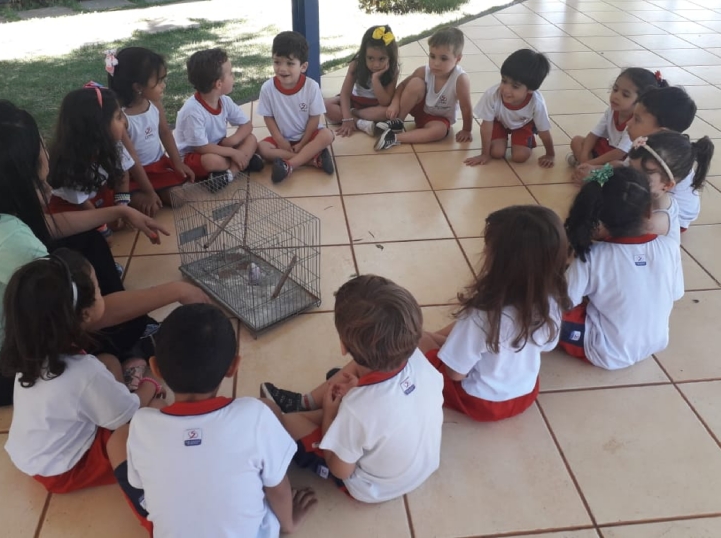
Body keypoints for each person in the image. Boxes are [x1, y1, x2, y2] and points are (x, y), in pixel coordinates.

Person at [0, 101, 210, 408]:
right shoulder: (6, 239)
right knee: (96, 341)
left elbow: (48, 227)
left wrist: (119, 210)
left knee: (87, 239)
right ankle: (129, 342)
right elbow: (88, 316)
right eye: (40, 145)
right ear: (24, 169)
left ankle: (129, 332)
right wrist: (178, 291)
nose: (46, 148)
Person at [109, 304, 317, 536]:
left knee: (119, 438)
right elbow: (277, 489)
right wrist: (289, 524)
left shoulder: (141, 424)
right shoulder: (257, 415)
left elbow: (139, 482)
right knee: (268, 409)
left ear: (155, 368)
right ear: (233, 367)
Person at [260, 275, 443, 504]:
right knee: (349, 417)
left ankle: (306, 410)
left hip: (373, 487)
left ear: (343, 346)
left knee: (288, 423)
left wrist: (330, 414)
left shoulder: (357, 410)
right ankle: (307, 404)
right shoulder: (420, 360)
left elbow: (341, 469)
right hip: (422, 464)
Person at [1, 250, 162, 493]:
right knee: (157, 411)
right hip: (67, 468)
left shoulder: (31, 353)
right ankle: (119, 402)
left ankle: (112, 402)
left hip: (34, 453)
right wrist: (152, 384)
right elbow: (131, 411)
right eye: (98, 289)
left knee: (108, 360)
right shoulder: (84, 372)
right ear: (85, 314)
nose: (101, 293)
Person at [420, 205, 570, 422]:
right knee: (459, 336)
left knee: (418, 338)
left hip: (481, 402)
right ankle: (447, 344)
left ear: (501, 262)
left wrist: (435, 343)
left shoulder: (481, 314)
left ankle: (440, 343)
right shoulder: (552, 301)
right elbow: (546, 348)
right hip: (525, 393)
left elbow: (455, 374)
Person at [560, 166, 684, 369]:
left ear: (598, 219)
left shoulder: (592, 255)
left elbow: (563, 302)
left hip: (605, 351)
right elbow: (676, 293)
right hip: (655, 342)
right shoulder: (669, 246)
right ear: (649, 211)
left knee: (541, 310)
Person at [107, 47, 194, 214]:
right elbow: (132, 158)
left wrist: (177, 163)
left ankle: (155, 191)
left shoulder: (154, 104)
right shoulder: (121, 117)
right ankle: (132, 197)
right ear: (138, 87)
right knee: (151, 209)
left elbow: (165, 132)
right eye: (159, 81)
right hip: (133, 174)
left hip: (157, 166)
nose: (163, 85)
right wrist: (148, 192)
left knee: (178, 198)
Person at [47, 83, 137, 238]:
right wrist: (104, 227)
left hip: (97, 195)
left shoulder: (114, 145)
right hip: (73, 208)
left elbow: (123, 174)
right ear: (98, 127)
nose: (124, 121)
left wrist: (122, 205)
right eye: (118, 117)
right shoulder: (71, 165)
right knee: (97, 240)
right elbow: (82, 204)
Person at [256, 31, 336, 184]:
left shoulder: (311, 87)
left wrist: (303, 142)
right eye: (277, 62)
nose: (282, 69)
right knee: (262, 148)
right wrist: (280, 140)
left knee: (327, 135)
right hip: (283, 139)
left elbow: (314, 118)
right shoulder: (267, 88)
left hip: (308, 137)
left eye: (290, 63)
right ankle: (313, 159)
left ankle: (290, 165)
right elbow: (268, 117)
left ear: (303, 66)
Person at [174, 48, 263, 184]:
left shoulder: (224, 101)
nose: (234, 77)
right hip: (195, 155)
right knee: (213, 161)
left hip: (218, 146)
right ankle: (244, 161)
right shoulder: (192, 111)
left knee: (251, 139)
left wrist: (232, 141)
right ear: (219, 84)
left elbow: (247, 125)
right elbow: (201, 147)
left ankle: (230, 174)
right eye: (231, 73)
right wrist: (233, 153)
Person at [374, 27, 472, 150]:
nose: (436, 63)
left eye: (443, 58)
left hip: (438, 119)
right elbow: (402, 86)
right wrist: (394, 103)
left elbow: (466, 107)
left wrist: (467, 130)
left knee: (440, 131)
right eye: (432, 56)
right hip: (419, 108)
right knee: (415, 83)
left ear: (457, 59)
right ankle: (397, 122)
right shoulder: (424, 71)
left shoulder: (460, 79)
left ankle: (394, 138)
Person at [624, 87, 704, 232]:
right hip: (651, 196)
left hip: (672, 219)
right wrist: (598, 172)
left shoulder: (665, 160)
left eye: (637, 119)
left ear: (661, 131)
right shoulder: (647, 147)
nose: (628, 123)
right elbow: (623, 168)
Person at [465, 48, 555, 167]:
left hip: (523, 126)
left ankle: (525, 139)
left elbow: (544, 131)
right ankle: (501, 139)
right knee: (496, 153)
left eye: (515, 86)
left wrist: (550, 154)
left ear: (530, 89)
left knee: (519, 157)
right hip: (499, 123)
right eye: (504, 81)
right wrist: (484, 154)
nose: (506, 90)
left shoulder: (537, 103)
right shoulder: (492, 94)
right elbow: (486, 126)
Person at [568, 68, 667, 174]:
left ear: (639, 101)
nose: (616, 96)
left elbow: (620, 153)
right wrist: (585, 157)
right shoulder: (611, 110)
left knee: (617, 166)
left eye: (625, 95)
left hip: (620, 159)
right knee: (577, 141)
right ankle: (589, 170)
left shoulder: (635, 122)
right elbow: (594, 134)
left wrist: (590, 164)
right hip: (606, 150)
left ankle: (591, 172)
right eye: (615, 89)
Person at [628, 131, 714, 242]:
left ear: (667, 185)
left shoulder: (655, 222)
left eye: (643, 177)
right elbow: (618, 166)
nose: (630, 177)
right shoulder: (651, 184)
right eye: (630, 168)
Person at [324, 25, 400, 136]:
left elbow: (385, 102)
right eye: (370, 58)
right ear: (364, 55)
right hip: (354, 100)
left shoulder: (393, 70)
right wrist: (346, 119)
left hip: (375, 106)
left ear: (390, 57)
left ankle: (354, 115)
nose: (376, 64)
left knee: (388, 112)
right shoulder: (356, 64)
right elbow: (345, 94)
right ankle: (360, 123)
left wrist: (375, 80)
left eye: (382, 59)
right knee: (326, 105)